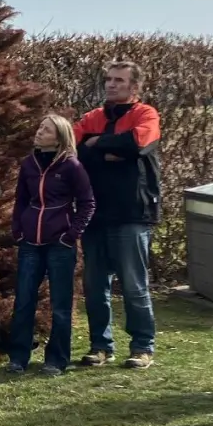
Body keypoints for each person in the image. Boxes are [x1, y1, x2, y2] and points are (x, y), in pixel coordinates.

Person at [75, 61, 162, 369]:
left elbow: (137, 144)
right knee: (94, 284)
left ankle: (142, 347)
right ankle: (101, 346)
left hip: (132, 212)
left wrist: (97, 143)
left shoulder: (146, 115)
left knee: (134, 285)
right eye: (109, 79)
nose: (111, 85)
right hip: (95, 213)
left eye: (119, 80)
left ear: (134, 86)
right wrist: (106, 151)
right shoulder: (92, 117)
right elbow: (75, 148)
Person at [7, 113, 94, 375]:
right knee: (23, 300)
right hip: (30, 243)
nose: (39, 132)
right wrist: (18, 229)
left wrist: (71, 235)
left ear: (59, 137)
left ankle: (56, 360)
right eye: (40, 127)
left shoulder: (71, 166)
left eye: (46, 129)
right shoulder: (29, 164)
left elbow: (87, 203)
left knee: (60, 304)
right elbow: (21, 200)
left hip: (60, 244)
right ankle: (18, 358)